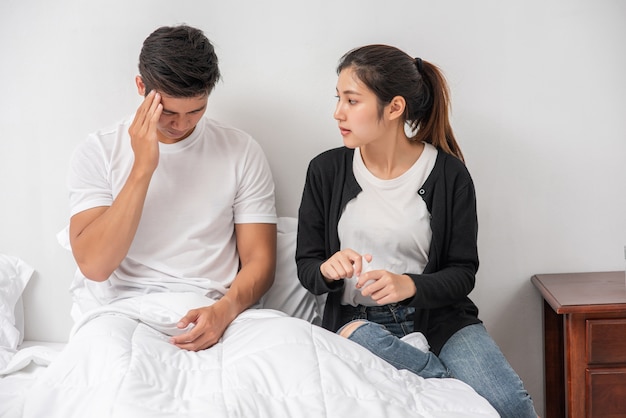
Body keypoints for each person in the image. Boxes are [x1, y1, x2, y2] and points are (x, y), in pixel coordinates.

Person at [295, 44, 538, 417]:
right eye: (338, 98)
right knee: (444, 399)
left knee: (509, 405)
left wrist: (409, 285)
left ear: (394, 107)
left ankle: (438, 381)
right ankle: (443, 384)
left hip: (440, 318)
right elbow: (308, 266)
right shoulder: (326, 171)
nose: (337, 112)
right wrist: (328, 269)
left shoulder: (448, 174)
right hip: (357, 324)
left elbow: (462, 272)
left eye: (352, 100)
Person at [67, 25, 277, 351]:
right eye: (169, 112)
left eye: (196, 111)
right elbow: (95, 265)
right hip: (123, 310)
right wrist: (142, 169)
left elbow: (260, 261)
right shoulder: (98, 150)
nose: (181, 125)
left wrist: (224, 310)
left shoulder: (241, 150)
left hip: (214, 308)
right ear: (141, 86)